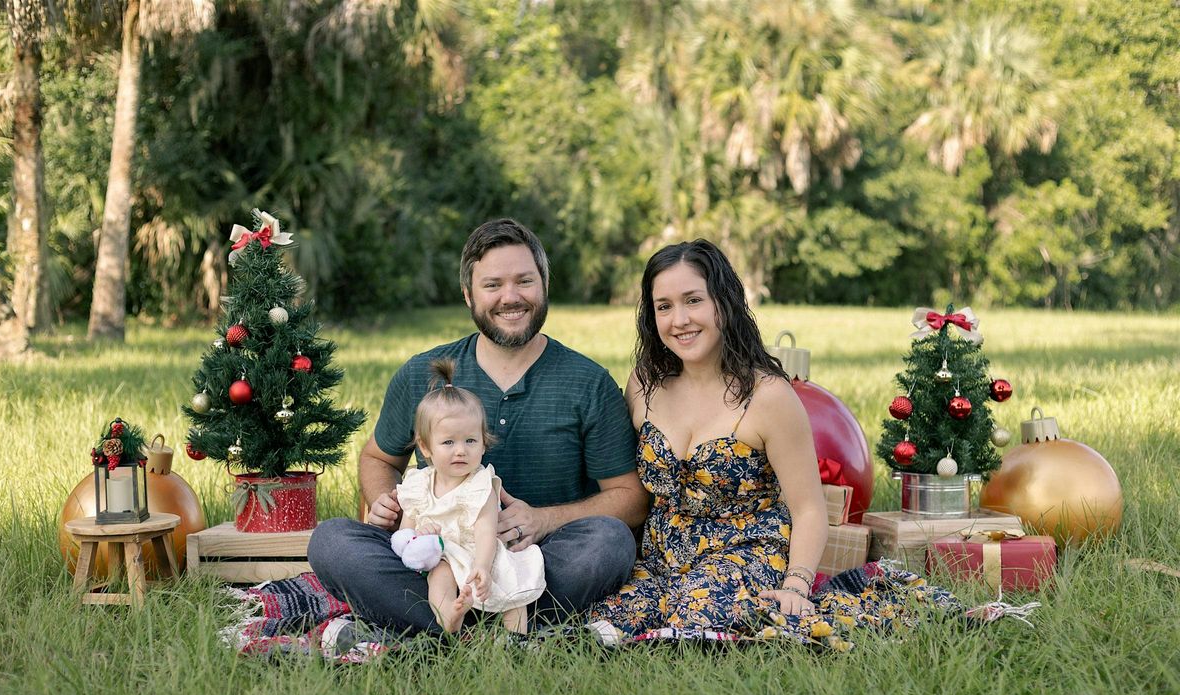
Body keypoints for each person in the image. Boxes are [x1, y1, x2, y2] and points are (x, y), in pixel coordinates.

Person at [588, 240, 958, 649]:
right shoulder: (644, 383)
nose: (680, 320)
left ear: (724, 304)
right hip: (659, 556)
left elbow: (809, 507)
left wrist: (797, 585)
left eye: (694, 300)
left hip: (744, 553)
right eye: (664, 306)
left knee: (693, 629)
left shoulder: (769, 397)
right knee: (606, 623)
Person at [309, 218, 648, 635]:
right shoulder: (422, 374)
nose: (511, 297)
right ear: (469, 294)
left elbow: (630, 498)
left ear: (544, 286)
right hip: (435, 559)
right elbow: (379, 458)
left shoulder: (587, 382)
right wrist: (388, 504)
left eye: (524, 281)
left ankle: (439, 626)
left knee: (609, 542)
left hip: (536, 559)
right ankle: (501, 629)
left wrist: (545, 519)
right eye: (493, 285)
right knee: (331, 541)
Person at [392, 358, 544, 634]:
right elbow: (403, 537)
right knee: (439, 578)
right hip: (441, 557)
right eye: (448, 442)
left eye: (470, 441)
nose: (460, 450)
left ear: (484, 444)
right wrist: (419, 535)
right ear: (426, 448)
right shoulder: (417, 485)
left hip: (480, 553)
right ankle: (450, 616)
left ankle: (516, 638)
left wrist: (483, 568)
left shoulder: (480, 485)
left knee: (512, 586)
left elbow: (487, 532)